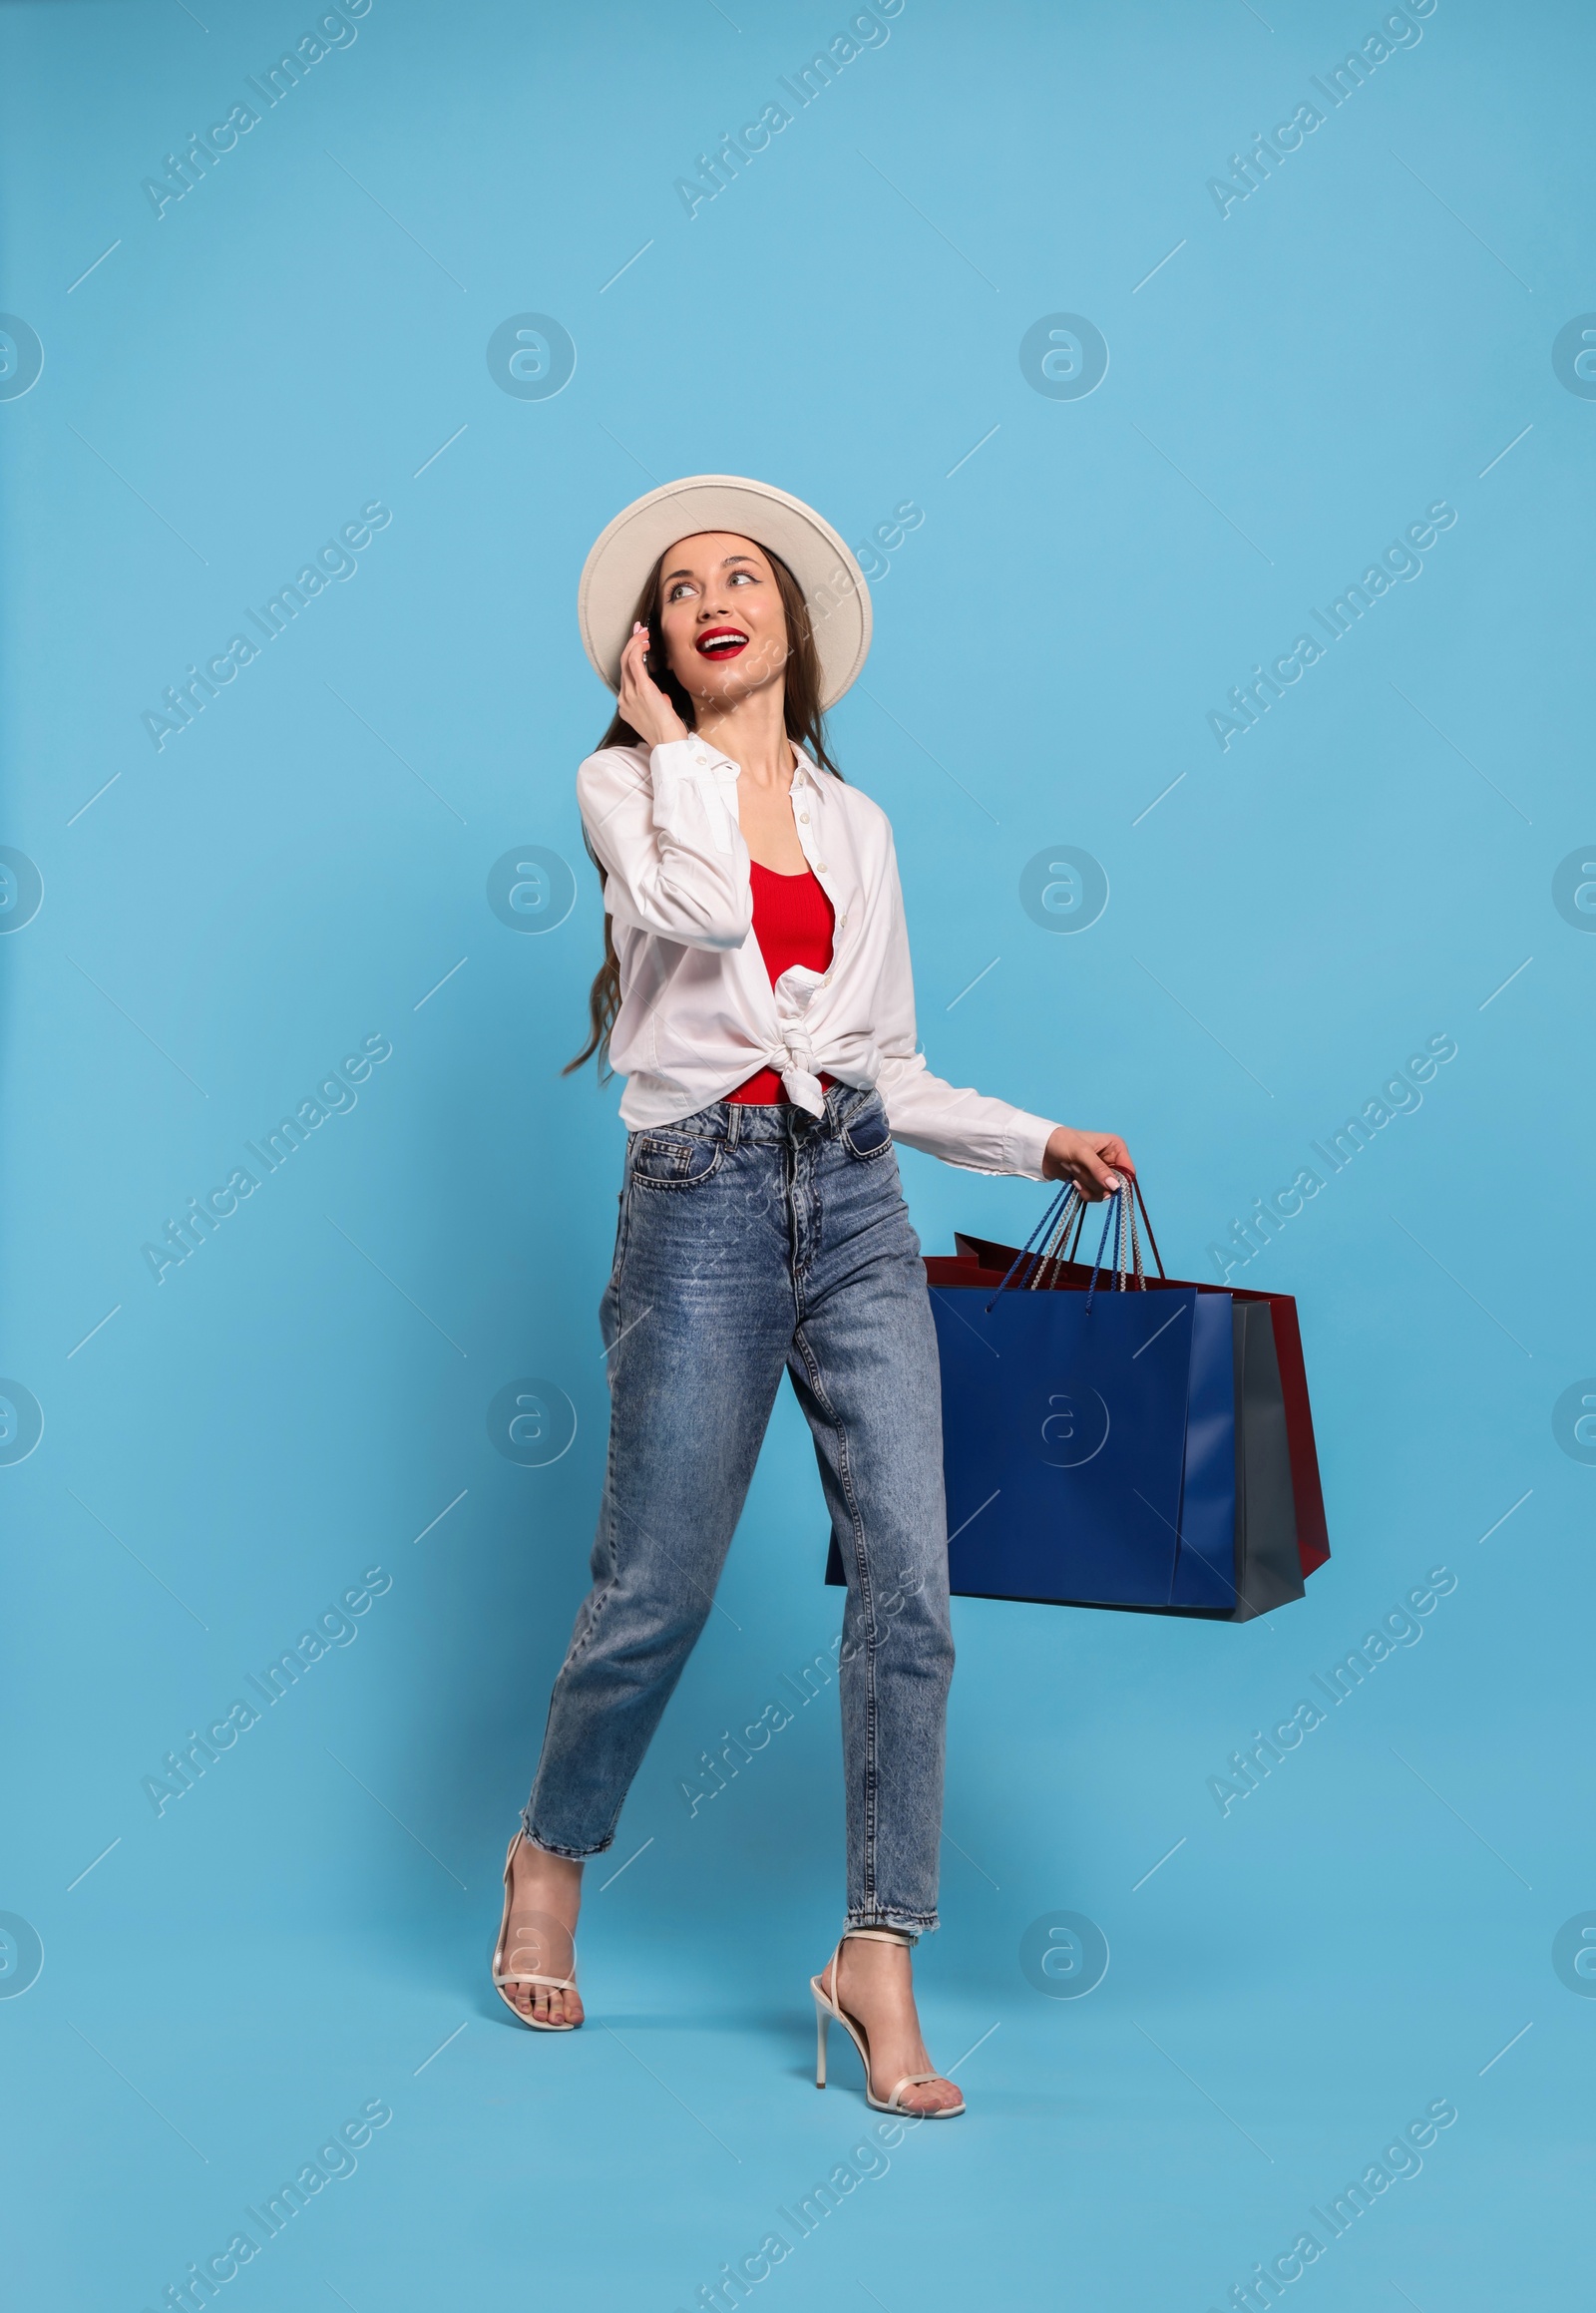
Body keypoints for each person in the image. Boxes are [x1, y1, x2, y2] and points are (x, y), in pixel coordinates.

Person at [492, 477, 1134, 2117]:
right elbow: (700, 910)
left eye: (744, 577)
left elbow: (884, 1063)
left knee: (914, 1584)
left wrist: (1033, 1139)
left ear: (792, 625)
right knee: (658, 1588)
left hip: (852, 1198)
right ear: (654, 642)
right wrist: (676, 747)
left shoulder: (861, 826)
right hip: (698, 1206)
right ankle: (551, 1856)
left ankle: (877, 1960)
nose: (716, 595)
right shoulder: (624, 787)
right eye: (683, 584)